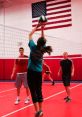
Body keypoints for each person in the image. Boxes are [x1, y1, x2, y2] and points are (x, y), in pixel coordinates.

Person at [27, 22, 52, 117]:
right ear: (44, 44)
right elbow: (43, 40)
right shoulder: (43, 49)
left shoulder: (33, 46)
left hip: (31, 72)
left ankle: (37, 111)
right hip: (38, 72)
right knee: (39, 90)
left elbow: (30, 35)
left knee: (33, 91)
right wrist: (42, 29)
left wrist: (37, 26)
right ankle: (41, 111)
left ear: (37, 42)